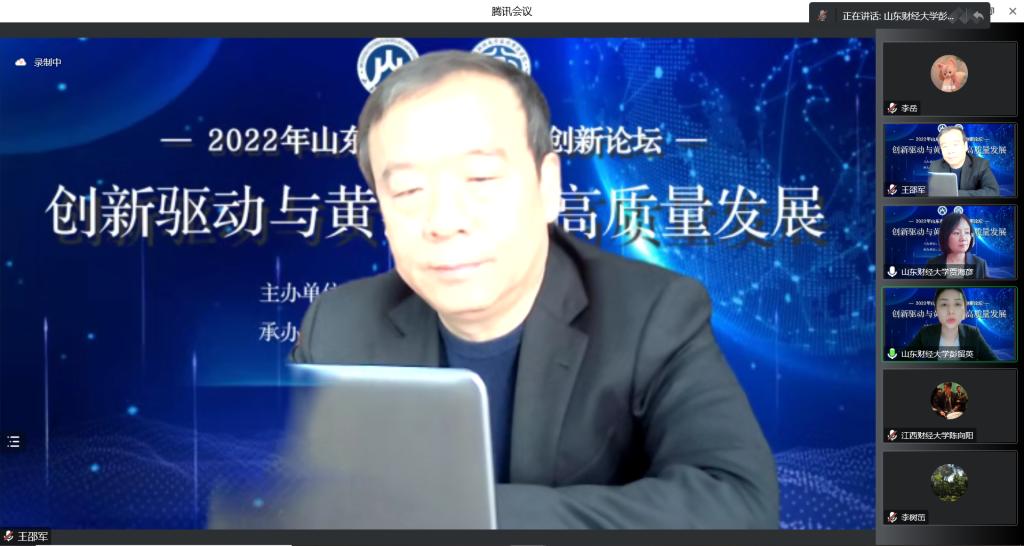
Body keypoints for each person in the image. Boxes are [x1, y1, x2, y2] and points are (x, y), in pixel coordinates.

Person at [287, 50, 778, 529]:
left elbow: (738, 502)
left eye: (480, 178)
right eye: (408, 191)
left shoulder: (654, 314)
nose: (443, 221)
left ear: (548, 187)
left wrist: (462, 515)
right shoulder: (337, 328)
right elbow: (298, 500)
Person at [904, 288, 997, 361]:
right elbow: (902, 361)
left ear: (964, 312)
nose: (951, 311)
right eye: (944, 304)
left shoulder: (973, 334)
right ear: (936, 311)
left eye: (957, 304)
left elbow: (996, 365)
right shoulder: (926, 333)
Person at [928, 125, 999, 196]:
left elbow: (993, 192)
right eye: (945, 146)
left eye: (955, 145)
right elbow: (933, 193)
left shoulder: (981, 164)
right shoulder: (935, 166)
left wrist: (955, 195)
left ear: (965, 146)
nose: (950, 151)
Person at [926, 212, 988, 279]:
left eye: (967, 232)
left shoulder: (980, 264)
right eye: (956, 233)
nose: (963, 238)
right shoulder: (933, 264)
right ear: (945, 236)